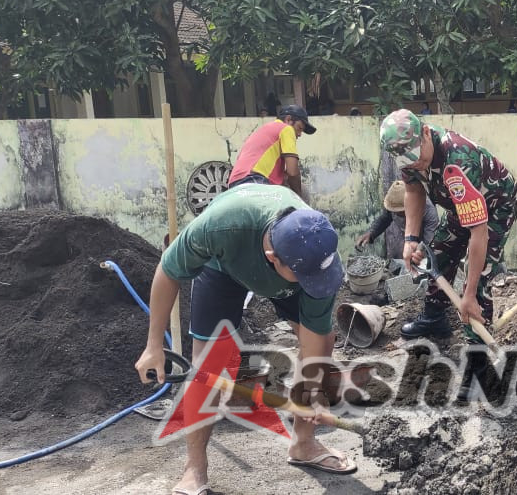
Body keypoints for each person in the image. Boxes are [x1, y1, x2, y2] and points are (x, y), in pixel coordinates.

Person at [134, 184, 354, 495]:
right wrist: (154, 345)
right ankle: (195, 468)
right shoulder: (221, 227)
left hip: (291, 279)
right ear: (272, 257)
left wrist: (311, 393)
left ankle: (304, 444)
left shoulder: (316, 256)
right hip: (223, 268)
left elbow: (314, 338)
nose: (319, 283)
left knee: (323, 343)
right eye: (307, 276)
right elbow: (168, 270)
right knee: (207, 363)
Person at [378, 109, 517, 342]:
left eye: (416, 156)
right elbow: (413, 190)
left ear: (425, 133)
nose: (414, 164)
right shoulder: (406, 152)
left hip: (496, 207)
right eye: (407, 161)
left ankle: (478, 348)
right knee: (439, 254)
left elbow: (478, 231)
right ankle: (435, 318)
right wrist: (410, 239)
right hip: (460, 206)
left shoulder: (458, 162)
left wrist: (470, 293)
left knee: (479, 274)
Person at [227, 105, 317, 198]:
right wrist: (299, 199)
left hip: (234, 184)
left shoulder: (265, 130)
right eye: (299, 128)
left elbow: (285, 178)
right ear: (288, 120)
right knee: (302, 193)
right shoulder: (286, 128)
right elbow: (292, 173)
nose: (299, 134)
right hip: (254, 180)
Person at [355, 180, 439, 253]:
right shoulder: (393, 203)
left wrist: (419, 253)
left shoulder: (429, 212)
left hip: (422, 243)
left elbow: (429, 244)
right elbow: (385, 219)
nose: (395, 214)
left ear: (409, 205)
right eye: (393, 211)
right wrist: (371, 233)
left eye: (399, 212)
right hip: (407, 241)